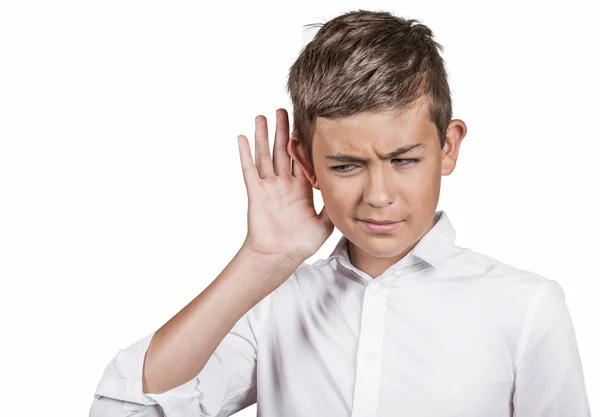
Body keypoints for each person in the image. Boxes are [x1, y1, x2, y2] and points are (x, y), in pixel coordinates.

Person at [89, 10, 591, 417]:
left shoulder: (525, 307)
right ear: (306, 163)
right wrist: (261, 260)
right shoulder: (272, 304)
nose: (378, 195)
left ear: (449, 146)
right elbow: (123, 411)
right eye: (347, 165)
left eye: (404, 160)